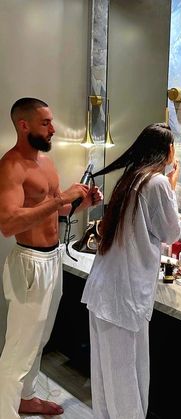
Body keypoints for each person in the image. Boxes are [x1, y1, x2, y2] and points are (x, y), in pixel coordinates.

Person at [0, 97, 103, 419]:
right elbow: (8, 224)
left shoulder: (45, 163)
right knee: (20, 347)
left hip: (53, 257)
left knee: (40, 338)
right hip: (29, 261)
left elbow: (53, 210)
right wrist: (62, 197)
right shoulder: (11, 165)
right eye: (45, 123)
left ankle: (26, 397)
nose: (53, 129)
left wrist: (82, 204)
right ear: (24, 125)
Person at [81, 123, 181, 419]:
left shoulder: (130, 179)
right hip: (123, 296)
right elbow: (170, 232)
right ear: (166, 150)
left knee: (105, 378)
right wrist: (171, 185)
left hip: (105, 290)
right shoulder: (156, 183)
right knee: (126, 381)